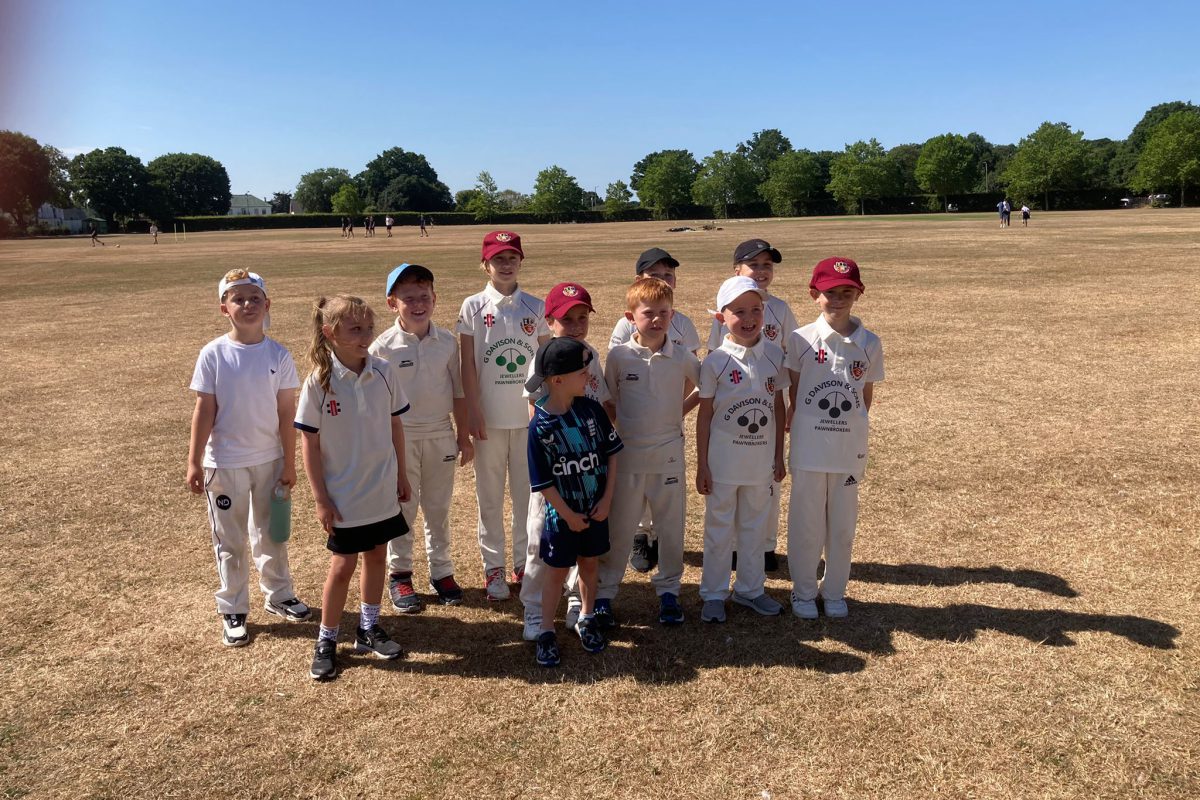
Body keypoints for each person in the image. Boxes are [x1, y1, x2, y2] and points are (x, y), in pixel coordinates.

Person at [186, 269, 311, 648]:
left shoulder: (278, 354)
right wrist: (194, 461)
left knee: (272, 533)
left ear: (267, 304)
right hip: (224, 464)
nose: (247, 305)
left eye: (254, 298)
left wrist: (289, 463)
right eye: (237, 299)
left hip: (270, 460)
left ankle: (279, 594)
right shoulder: (213, 354)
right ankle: (234, 607)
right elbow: (204, 409)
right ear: (224, 308)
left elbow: (286, 413)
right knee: (231, 539)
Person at [295, 295, 413, 681]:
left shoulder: (383, 371)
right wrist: (321, 499)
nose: (365, 336)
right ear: (330, 333)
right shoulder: (320, 382)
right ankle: (326, 640)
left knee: (378, 556)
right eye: (355, 329)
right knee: (343, 566)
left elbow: (395, 425)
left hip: (380, 488)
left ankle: (368, 628)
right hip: (343, 497)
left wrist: (401, 474)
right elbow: (308, 442)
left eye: (368, 327)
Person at [370, 264, 473, 612]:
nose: (418, 304)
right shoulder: (381, 346)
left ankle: (442, 572)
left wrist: (464, 436)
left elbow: (458, 392)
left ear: (434, 298)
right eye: (408, 298)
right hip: (401, 436)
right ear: (391, 303)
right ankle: (400, 575)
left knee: (438, 507)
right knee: (404, 506)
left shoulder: (446, 341)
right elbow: (374, 402)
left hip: (440, 432)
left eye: (424, 297)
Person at [785, 258, 884, 620]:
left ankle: (835, 591)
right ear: (815, 295)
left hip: (847, 452)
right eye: (830, 293)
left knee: (842, 527)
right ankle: (803, 592)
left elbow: (865, 397)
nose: (838, 299)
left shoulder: (870, 342)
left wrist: (849, 431)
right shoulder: (801, 340)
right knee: (806, 524)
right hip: (809, 449)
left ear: (859, 294)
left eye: (846, 292)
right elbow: (795, 393)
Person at [598, 276, 700, 626]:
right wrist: (625, 426)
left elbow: (706, 386)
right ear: (631, 317)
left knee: (671, 528)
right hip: (627, 458)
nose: (656, 320)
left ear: (672, 315)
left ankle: (669, 592)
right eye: (648, 313)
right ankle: (604, 594)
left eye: (663, 313)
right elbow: (609, 399)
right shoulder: (619, 355)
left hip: (669, 455)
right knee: (620, 528)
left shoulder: (682, 355)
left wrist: (676, 413)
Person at [458, 231, 550, 600]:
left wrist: (543, 411)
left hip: (528, 419)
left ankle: (522, 563)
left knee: (528, 498)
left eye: (512, 257)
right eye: (498, 259)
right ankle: (493, 568)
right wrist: (472, 412)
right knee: (490, 497)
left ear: (521, 261)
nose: (506, 264)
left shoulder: (535, 306)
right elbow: (466, 364)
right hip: (489, 421)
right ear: (485, 264)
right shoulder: (473, 306)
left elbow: (544, 362)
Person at [519, 282, 611, 640]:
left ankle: (576, 600)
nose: (575, 325)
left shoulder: (590, 355)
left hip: (585, 468)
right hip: (555, 467)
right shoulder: (545, 357)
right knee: (540, 536)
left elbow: (601, 402)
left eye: (582, 317)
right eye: (566, 319)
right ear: (550, 321)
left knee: (583, 534)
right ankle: (532, 608)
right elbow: (534, 411)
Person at [525, 337, 623, 666]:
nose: (589, 377)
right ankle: (546, 631)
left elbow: (611, 456)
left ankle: (587, 616)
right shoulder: (540, 425)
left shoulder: (592, 410)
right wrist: (567, 515)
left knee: (590, 565)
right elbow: (543, 482)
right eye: (583, 372)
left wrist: (607, 500)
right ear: (558, 380)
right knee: (555, 574)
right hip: (561, 518)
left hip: (595, 511)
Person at [696, 276, 788, 623]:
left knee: (755, 528)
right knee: (719, 529)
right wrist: (702, 465)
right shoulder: (715, 361)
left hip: (760, 464)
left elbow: (778, 407)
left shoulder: (775, 355)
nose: (749, 319)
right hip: (722, 464)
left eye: (756, 310)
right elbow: (704, 416)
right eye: (738, 312)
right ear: (721, 318)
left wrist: (778, 455)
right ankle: (714, 593)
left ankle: (750, 590)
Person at [705, 239, 798, 573]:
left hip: (769, 398)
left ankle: (765, 546)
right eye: (754, 265)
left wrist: (792, 405)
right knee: (729, 487)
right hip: (735, 409)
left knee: (766, 484)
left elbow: (792, 356)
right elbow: (717, 358)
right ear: (737, 270)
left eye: (767, 265)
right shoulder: (728, 307)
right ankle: (731, 548)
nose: (762, 272)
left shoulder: (781, 309)